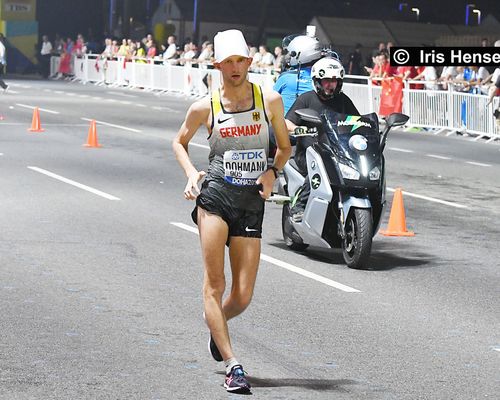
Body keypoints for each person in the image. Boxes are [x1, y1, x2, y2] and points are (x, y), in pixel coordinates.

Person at [172, 29, 291, 394]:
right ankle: (232, 364)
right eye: (228, 62)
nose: (235, 68)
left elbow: (284, 148)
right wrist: (193, 174)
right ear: (217, 64)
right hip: (216, 199)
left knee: (241, 296)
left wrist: (272, 173)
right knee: (215, 284)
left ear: (250, 62)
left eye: (241, 61)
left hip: (251, 202)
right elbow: (179, 142)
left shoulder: (269, 100)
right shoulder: (204, 106)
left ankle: (216, 325)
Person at [285, 57, 359, 221]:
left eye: (334, 81)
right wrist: (299, 129)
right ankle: (299, 206)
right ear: (317, 81)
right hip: (309, 153)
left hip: (337, 152)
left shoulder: (343, 100)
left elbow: (357, 121)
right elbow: (287, 122)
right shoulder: (306, 99)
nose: (330, 85)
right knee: (321, 170)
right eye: (326, 81)